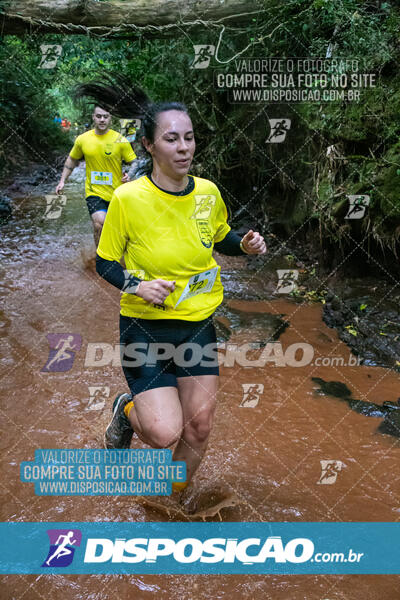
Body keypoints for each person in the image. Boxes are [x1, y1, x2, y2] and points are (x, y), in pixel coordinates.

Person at [94, 86, 266, 497]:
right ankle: (126, 409)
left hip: (197, 325)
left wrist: (242, 244)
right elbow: (104, 263)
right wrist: (138, 285)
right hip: (145, 328)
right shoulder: (128, 199)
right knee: (163, 433)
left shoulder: (207, 192)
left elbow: (220, 236)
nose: (183, 147)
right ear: (149, 146)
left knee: (200, 426)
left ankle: (168, 501)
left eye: (188, 137)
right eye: (171, 139)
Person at [55, 105, 137, 246]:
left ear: (110, 119)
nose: (102, 120)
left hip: (118, 193)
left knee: (121, 231)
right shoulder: (82, 139)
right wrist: (62, 180)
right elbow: (72, 159)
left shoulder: (120, 140)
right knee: (99, 223)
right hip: (94, 192)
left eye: (106, 116)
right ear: (93, 117)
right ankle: (100, 259)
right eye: (99, 116)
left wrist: (130, 175)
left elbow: (134, 163)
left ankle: (117, 256)